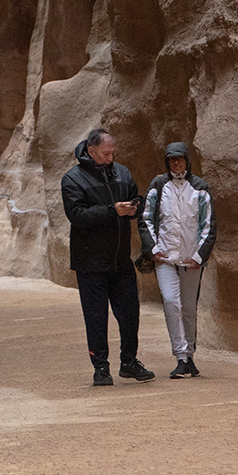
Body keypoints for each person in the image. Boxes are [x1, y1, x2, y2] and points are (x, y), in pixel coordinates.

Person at [61, 127, 154, 385]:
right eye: (105, 153)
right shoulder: (73, 179)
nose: (110, 158)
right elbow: (77, 216)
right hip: (90, 264)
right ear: (91, 151)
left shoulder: (122, 173)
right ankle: (101, 367)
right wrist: (113, 210)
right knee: (96, 317)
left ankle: (129, 362)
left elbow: (136, 197)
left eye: (113, 153)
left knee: (130, 313)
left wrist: (134, 206)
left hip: (120, 261)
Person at [139, 141, 216, 378]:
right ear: (167, 161)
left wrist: (199, 257)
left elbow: (208, 225)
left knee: (189, 309)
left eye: (180, 158)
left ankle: (190, 357)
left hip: (191, 261)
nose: (176, 163)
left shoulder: (200, 188)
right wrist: (153, 249)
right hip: (165, 259)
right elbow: (146, 219)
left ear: (187, 160)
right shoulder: (158, 186)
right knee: (171, 303)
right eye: (172, 159)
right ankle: (180, 356)